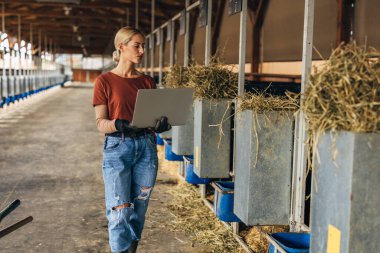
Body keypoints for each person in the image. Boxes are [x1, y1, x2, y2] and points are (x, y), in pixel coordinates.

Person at [92, 26, 171, 253]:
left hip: (146, 147)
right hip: (118, 146)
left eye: (143, 45)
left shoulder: (147, 82)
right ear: (121, 47)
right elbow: (100, 123)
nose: (142, 50)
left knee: (139, 208)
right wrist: (118, 124)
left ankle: (130, 250)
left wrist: (162, 124)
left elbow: (154, 117)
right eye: (137, 45)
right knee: (120, 210)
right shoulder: (104, 81)